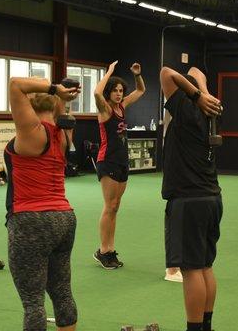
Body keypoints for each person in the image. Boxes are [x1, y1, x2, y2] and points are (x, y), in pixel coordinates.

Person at [5, 76, 80, 331]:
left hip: (32, 221)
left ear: (30, 105)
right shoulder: (63, 134)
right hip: (64, 219)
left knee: (33, 302)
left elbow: (15, 84)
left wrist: (53, 88)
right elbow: (59, 108)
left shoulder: (32, 132)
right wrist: (61, 95)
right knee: (62, 293)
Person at [160, 65, 222, 331]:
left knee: (191, 270)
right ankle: (205, 325)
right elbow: (196, 71)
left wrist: (195, 94)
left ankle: (194, 328)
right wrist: (202, 90)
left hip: (189, 200)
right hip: (211, 198)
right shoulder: (213, 109)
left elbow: (165, 73)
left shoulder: (188, 108)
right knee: (205, 266)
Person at [93, 60, 146, 269]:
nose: (119, 93)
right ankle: (103, 250)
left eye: (121, 90)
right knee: (109, 206)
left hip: (122, 161)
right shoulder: (105, 109)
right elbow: (97, 93)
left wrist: (137, 75)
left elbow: (141, 90)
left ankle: (110, 249)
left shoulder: (123, 106)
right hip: (107, 161)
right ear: (109, 91)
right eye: (115, 90)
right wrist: (109, 72)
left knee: (115, 207)